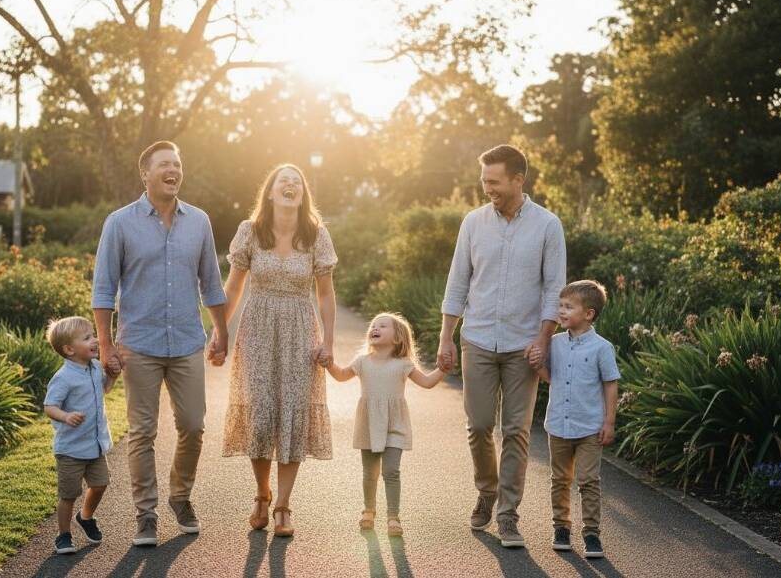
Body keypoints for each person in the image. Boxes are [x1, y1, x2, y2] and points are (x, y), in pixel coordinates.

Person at [92, 140, 228, 547]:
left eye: (177, 164)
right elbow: (103, 289)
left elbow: (212, 282)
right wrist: (104, 344)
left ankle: (180, 497)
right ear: (145, 174)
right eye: (164, 164)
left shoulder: (199, 221)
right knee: (143, 431)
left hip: (187, 340)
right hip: (140, 343)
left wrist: (221, 330)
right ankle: (146, 515)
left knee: (192, 425)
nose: (173, 170)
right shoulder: (119, 223)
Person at [438, 144, 566, 547]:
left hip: (523, 345)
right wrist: (446, 336)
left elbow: (554, 288)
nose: (487, 188)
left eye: (493, 181)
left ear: (517, 179)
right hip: (476, 337)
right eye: (483, 181)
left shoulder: (547, 225)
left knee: (516, 431)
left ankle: (508, 515)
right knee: (478, 425)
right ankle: (486, 491)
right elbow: (458, 281)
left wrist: (543, 340)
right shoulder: (473, 223)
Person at [217, 163, 337, 537]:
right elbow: (234, 288)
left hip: (301, 329)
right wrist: (219, 331)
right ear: (269, 193)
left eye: (296, 181)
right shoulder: (250, 232)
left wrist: (328, 341)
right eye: (282, 181)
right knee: (261, 412)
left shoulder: (316, 235)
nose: (289, 185)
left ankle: (283, 505)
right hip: (257, 329)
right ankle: (261, 495)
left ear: (303, 194)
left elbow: (326, 294)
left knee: (293, 415)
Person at [324, 312, 447, 537]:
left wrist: (443, 370)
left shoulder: (403, 364)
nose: (375, 328)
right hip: (369, 423)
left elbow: (427, 382)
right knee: (369, 472)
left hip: (395, 425)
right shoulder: (362, 361)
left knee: (391, 471)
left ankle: (393, 517)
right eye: (373, 325)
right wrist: (328, 363)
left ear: (398, 338)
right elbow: (341, 375)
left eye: (382, 326)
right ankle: (369, 511)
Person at [527, 280, 620, 559]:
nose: (562, 311)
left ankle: (591, 534)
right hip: (558, 425)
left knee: (589, 480)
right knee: (560, 479)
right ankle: (561, 528)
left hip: (590, 427)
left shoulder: (602, 348)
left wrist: (609, 422)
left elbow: (610, 384)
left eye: (568, 307)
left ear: (588, 314)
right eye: (560, 306)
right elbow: (550, 376)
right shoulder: (554, 343)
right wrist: (537, 363)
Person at [43, 316, 117, 555]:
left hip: (94, 445)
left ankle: (85, 517)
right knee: (68, 494)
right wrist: (65, 416)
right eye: (87, 338)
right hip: (71, 450)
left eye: (93, 334)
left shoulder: (95, 367)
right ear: (69, 349)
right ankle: (63, 535)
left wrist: (112, 377)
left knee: (100, 484)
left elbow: (103, 389)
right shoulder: (63, 377)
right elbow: (49, 406)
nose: (95, 340)